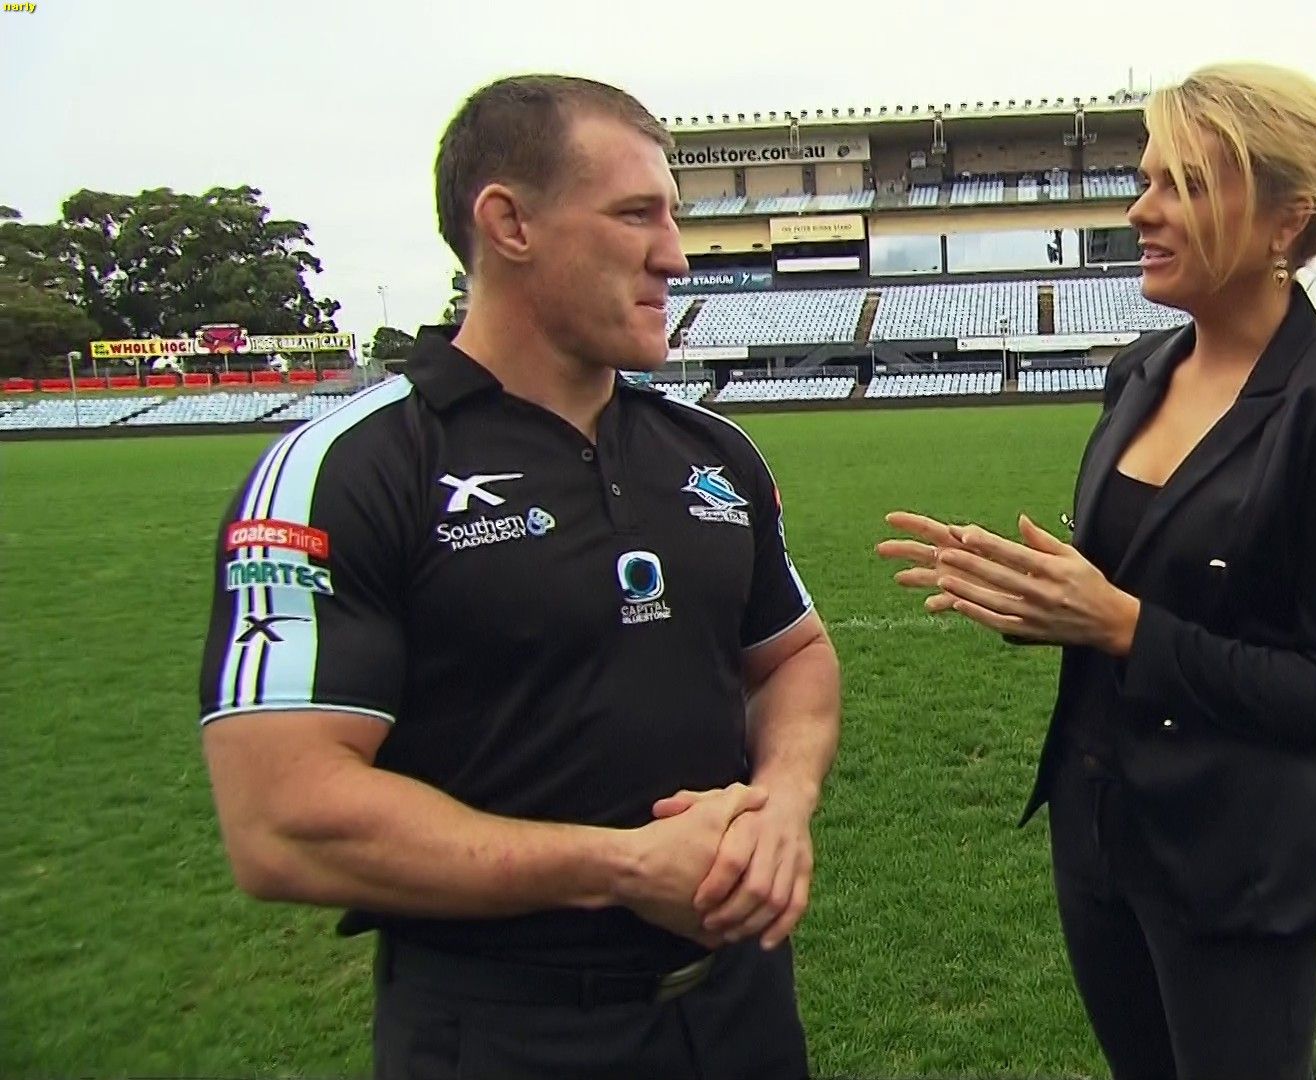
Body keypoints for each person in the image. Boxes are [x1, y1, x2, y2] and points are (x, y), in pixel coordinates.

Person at [198, 75, 840, 1080]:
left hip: (741, 1013)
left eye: (673, 217)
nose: (675, 254)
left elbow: (793, 656)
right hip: (505, 1033)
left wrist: (783, 802)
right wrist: (622, 868)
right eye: (635, 215)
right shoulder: (350, 471)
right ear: (510, 224)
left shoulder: (712, 452)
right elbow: (283, 822)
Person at [877, 62, 1316, 1080]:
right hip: (1097, 838)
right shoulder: (1138, 371)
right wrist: (1036, 598)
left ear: (1284, 223)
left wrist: (1119, 623)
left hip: (1237, 867)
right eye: (1145, 180)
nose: (1141, 210)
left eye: (1182, 185)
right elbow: (1124, 583)